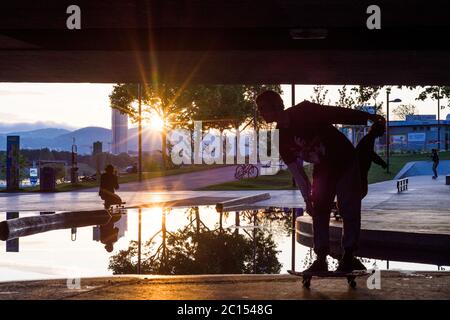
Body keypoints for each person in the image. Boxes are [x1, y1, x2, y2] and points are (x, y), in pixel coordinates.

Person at [256, 90, 384, 273]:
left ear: (277, 106)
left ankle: (348, 255)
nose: (260, 113)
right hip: (323, 167)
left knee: (349, 207)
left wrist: (368, 117)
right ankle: (321, 259)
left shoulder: (304, 111)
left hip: (344, 159)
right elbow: (297, 172)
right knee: (319, 209)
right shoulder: (280, 137)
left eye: (262, 109)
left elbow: (336, 112)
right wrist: (308, 200)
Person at [356, 121, 388, 198]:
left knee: (361, 191)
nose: (384, 131)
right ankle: (346, 207)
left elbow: (370, 154)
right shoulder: (369, 139)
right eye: (383, 130)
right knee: (362, 191)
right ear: (378, 130)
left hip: (361, 168)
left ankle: (346, 206)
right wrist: (382, 163)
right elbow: (371, 154)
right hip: (360, 168)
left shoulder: (369, 138)